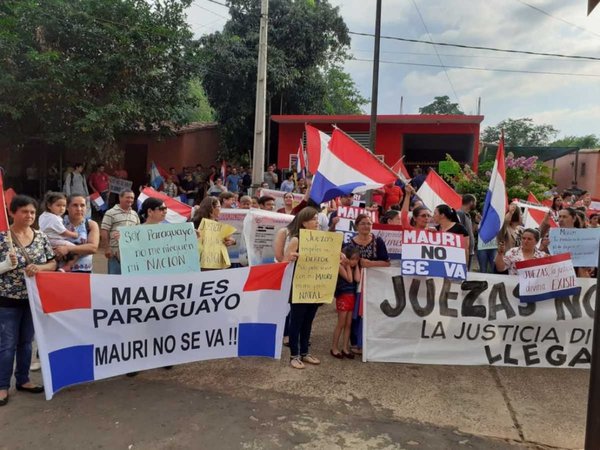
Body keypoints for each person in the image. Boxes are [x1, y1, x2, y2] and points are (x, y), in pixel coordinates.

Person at [0, 195, 57, 406]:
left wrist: (39, 268)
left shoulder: (41, 237)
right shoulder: (2, 238)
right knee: (6, 345)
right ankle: (2, 386)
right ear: (13, 213)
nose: (29, 216)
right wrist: (5, 264)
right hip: (7, 300)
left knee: (26, 343)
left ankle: (23, 380)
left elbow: (52, 263)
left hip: (33, 300)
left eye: (32, 212)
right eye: (24, 211)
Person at [282, 207, 323, 369]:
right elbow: (284, 263)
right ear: (304, 223)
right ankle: (294, 355)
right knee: (296, 322)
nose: (317, 222)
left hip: (315, 285)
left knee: (309, 321)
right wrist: (291, 257)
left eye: (317, 219)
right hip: (299, 286)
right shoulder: (296, 240)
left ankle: (305, 353)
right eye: (314, 219)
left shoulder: (321, 239)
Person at [349, 213, 391, 354]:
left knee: (370, 311)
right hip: (353, 283)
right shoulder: (350, 242)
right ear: (357, 226)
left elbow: (386, 263)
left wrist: (370, 264)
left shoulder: (378, 241)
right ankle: (355, 342)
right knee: (354, 312)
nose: (366, 226)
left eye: (369, 223)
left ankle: (368, 340)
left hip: (373, 283)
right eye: (363, 223)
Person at [55, 195, 100, 274]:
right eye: (75, 205)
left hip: (84, 271)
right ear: (67, 207)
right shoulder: (58, 223)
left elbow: (93, 248)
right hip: (59, 271)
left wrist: (67, 249)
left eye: (82, 205)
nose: (79, 209)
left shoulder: (91, 224)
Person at [38, 192, 81, 271]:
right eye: (58, 205)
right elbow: (63, 232)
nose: (62, 208)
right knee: (77, 250)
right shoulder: (54, 218)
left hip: (44, 241)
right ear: (49, 206)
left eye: (64, 206)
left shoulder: (44, 215)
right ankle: (67, 267)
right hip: (53, 241)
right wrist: (74, 234)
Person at [331, 246, 361, 359]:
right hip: (343, 297)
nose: (354, 261)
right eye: (353, 259)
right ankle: (334, 347)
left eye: (357, 259)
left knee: (348, 324)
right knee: (341, 323)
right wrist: (348, 265)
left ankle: (345, 348)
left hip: (351, 297)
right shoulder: (340, 266)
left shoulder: (354, 267)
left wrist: (356, 265)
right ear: (347, 258)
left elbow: (357, 279)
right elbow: (349, 279)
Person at [100, 190, 140, 274]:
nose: (130, 200)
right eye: (127, 197)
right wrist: (107, 248)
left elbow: (138, 232)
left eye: (132, 198)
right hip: (115, 253)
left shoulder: (135, 214)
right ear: (120, 198)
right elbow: (104, 230)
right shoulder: (110, 213)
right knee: (115, 280)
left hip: (131, 254)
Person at [456, 194, 477, 270]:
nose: (475, 204)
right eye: (475, 202)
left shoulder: (467, 215)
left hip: (469, 250)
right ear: (471, 202)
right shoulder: (460, 213)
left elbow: (470, 232)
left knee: (467, 273)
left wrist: (476, 222)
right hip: (463, 251)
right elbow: (458, 231)